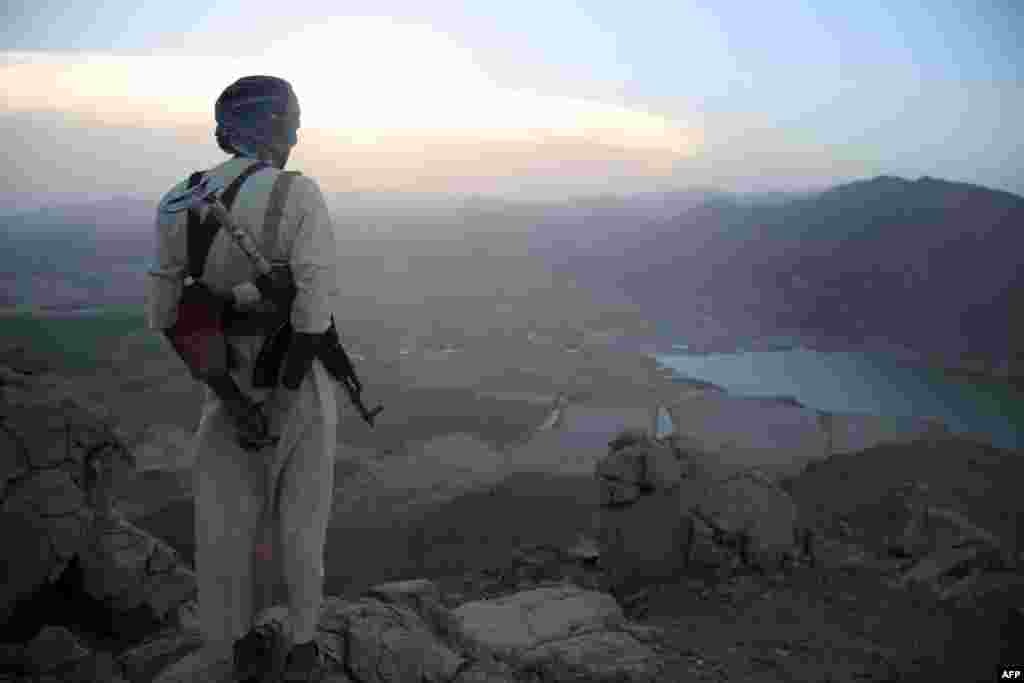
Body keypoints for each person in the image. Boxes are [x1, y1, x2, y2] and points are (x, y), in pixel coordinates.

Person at [147, 75, 342, 682]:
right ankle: (303, 646)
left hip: (223, 381)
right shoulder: (299, 194)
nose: (298, 132)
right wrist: (282, 404)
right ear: (278, 128)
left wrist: (231, 400)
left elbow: (165, 316)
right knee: (301, 524)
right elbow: (312, 314)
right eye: (293, 120)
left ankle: (236, 651)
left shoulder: (180, 200)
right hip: (296, 382)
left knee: (227, 526)